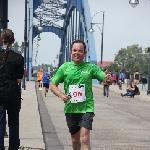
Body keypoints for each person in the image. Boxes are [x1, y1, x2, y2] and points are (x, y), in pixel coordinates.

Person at [50, 39, 112, 150]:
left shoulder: (91, 67)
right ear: (71, 52)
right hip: (71, 108)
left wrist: (108, 80)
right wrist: (61, 95)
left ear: (85, 53)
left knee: (84, 138)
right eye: (74, 50)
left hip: (87, 108)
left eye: (80, 51)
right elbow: (52, 85)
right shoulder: (65, 67)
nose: (77, 53)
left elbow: (105, 79)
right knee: (75, 139)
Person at [0, 29, 24, 150]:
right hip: (13, 93)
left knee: (0, 123)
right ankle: (13, 147)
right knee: (13, 123)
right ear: (13, 41)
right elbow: (19, 80)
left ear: (1, 40)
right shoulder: (18, 57)